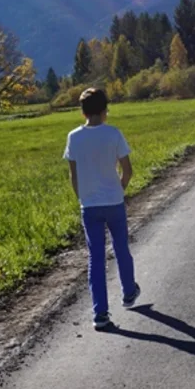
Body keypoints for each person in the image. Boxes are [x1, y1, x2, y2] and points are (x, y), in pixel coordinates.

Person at [64, 87, 140, 329]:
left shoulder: (74, 137)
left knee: (95, 258)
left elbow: (73, 175)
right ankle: (129, 291)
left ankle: (101, 314)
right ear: (104, 109)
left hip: (90, 205)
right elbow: (127, 170)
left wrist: (82, 197)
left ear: (82, 112)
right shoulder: (113, 134)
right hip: (114, 202)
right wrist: (120, 188)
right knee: (121, 248)